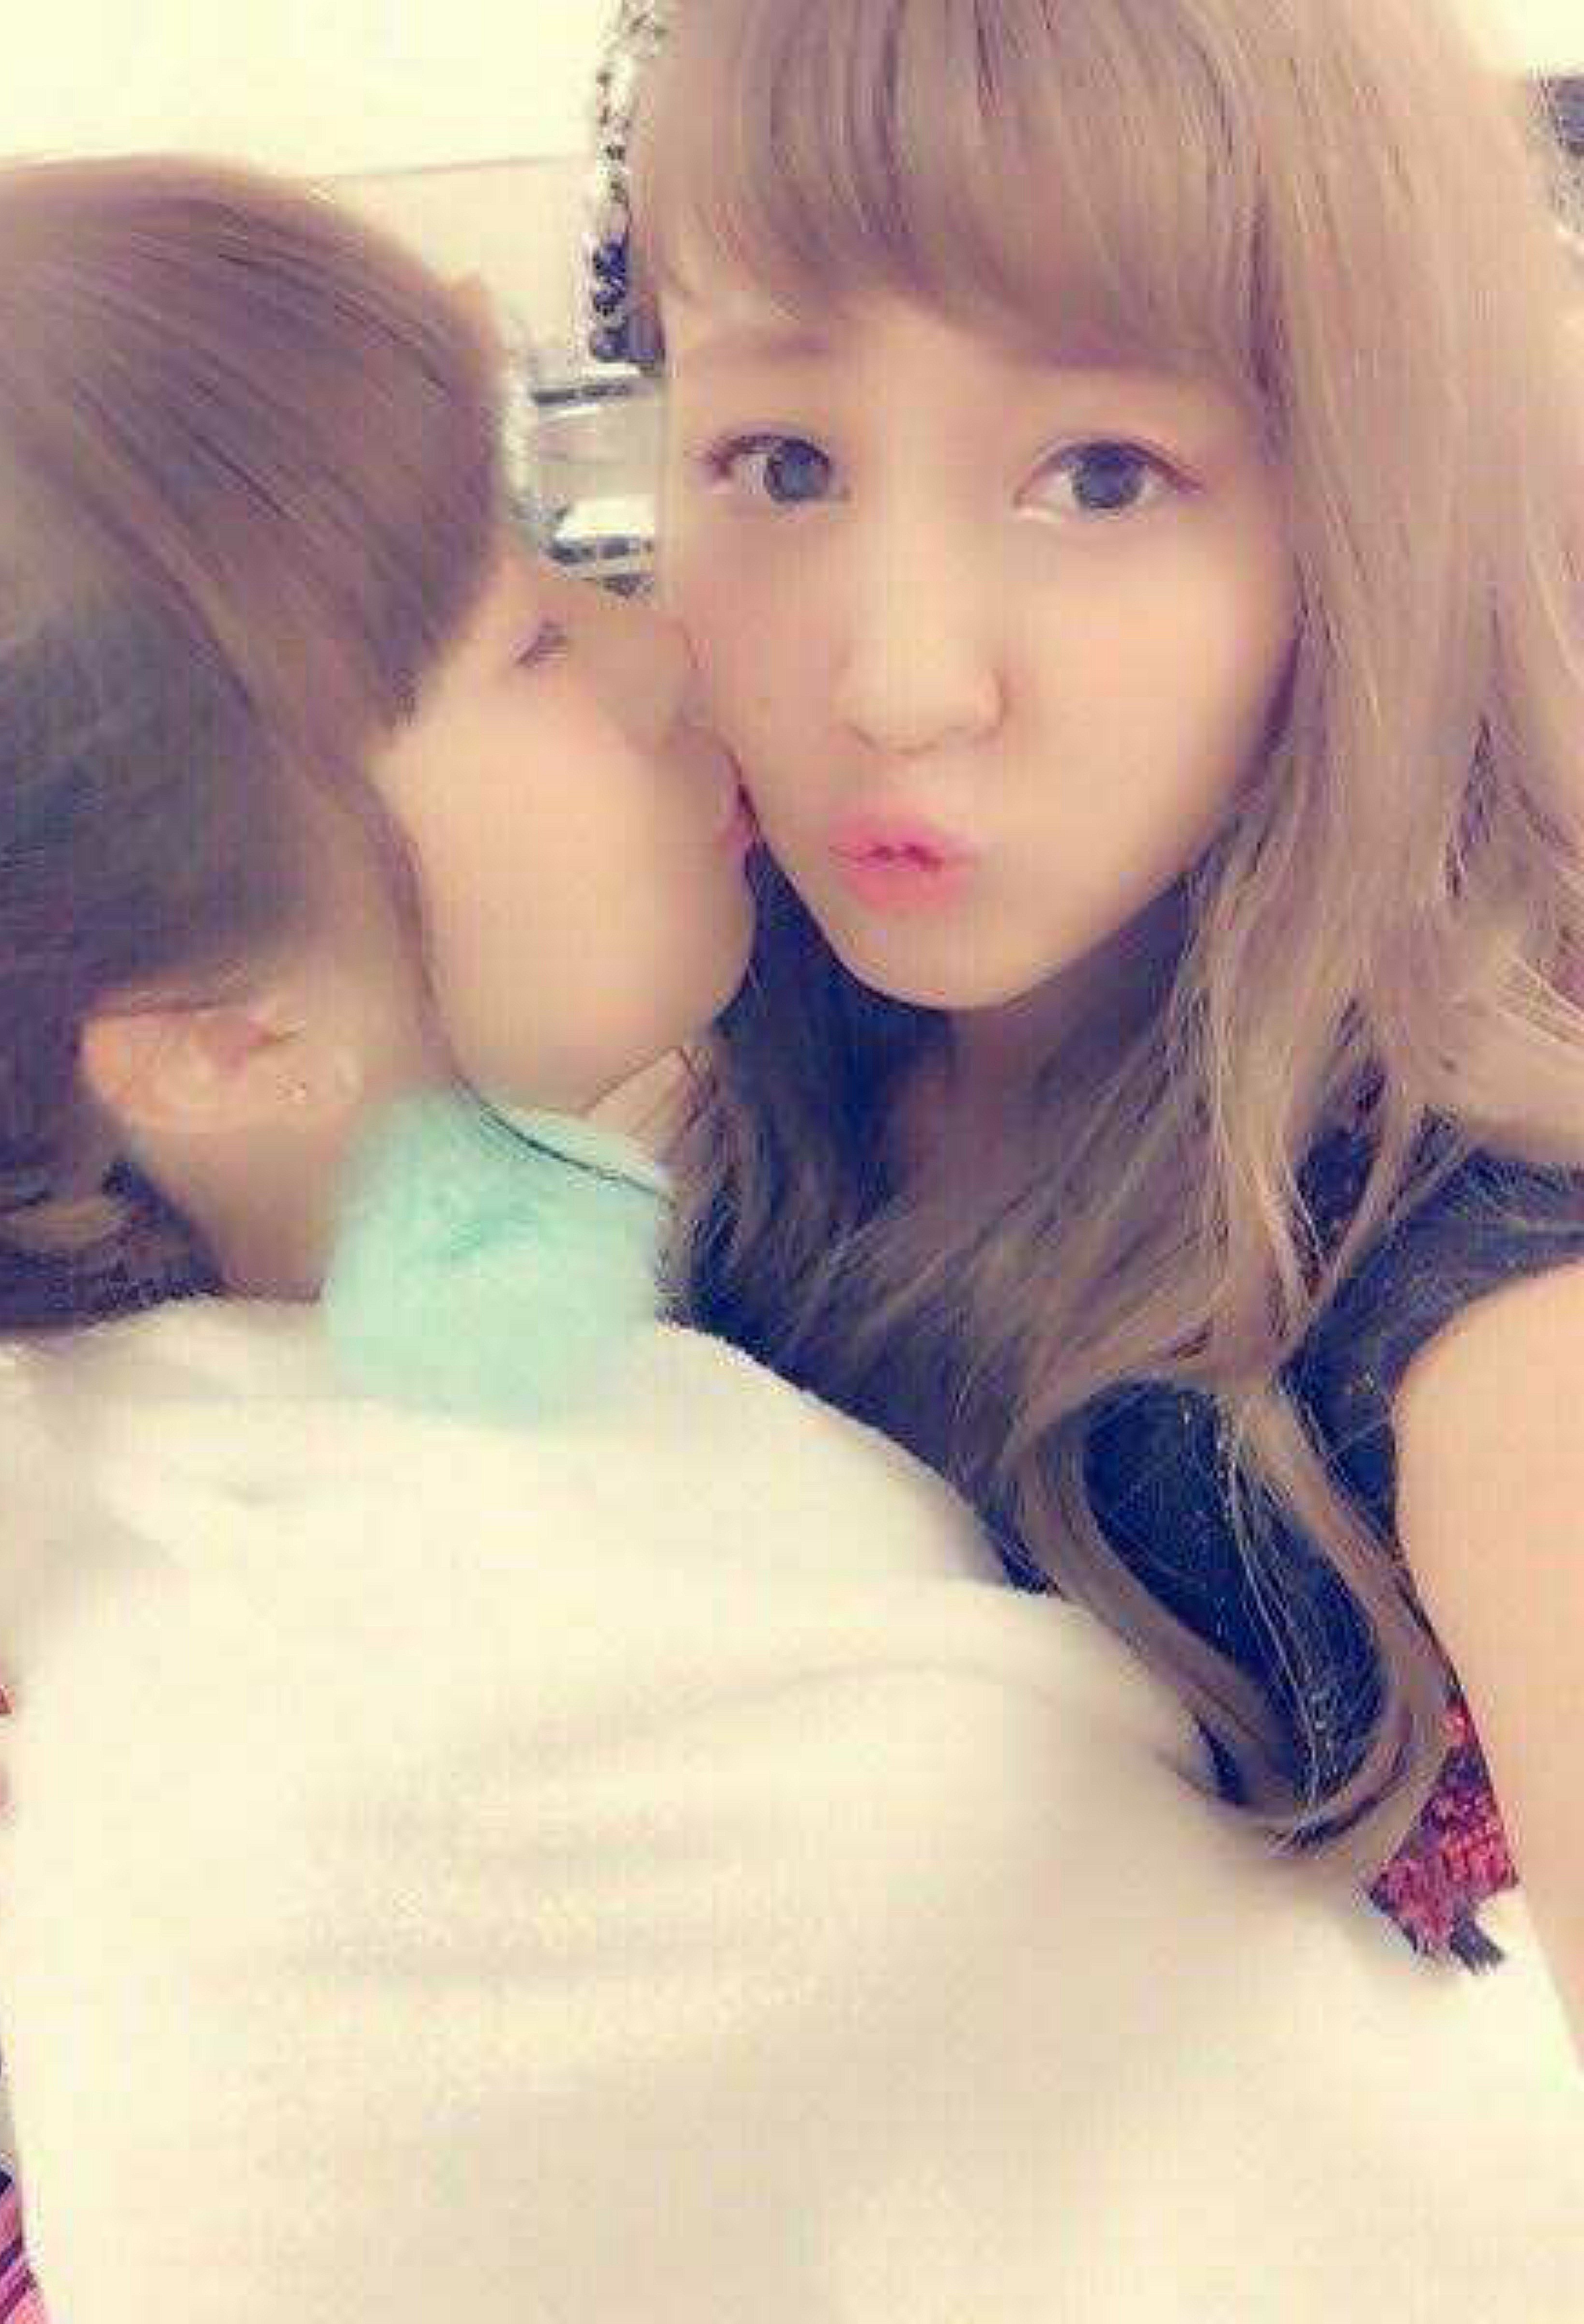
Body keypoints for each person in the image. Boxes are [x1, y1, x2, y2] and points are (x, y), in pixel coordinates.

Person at [579, 0, 1584, 2018]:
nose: (900, 687)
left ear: (1373, 519)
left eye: (1105, 476)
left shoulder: (1482, 1312)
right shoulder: (675, 1069)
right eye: (783, 462)